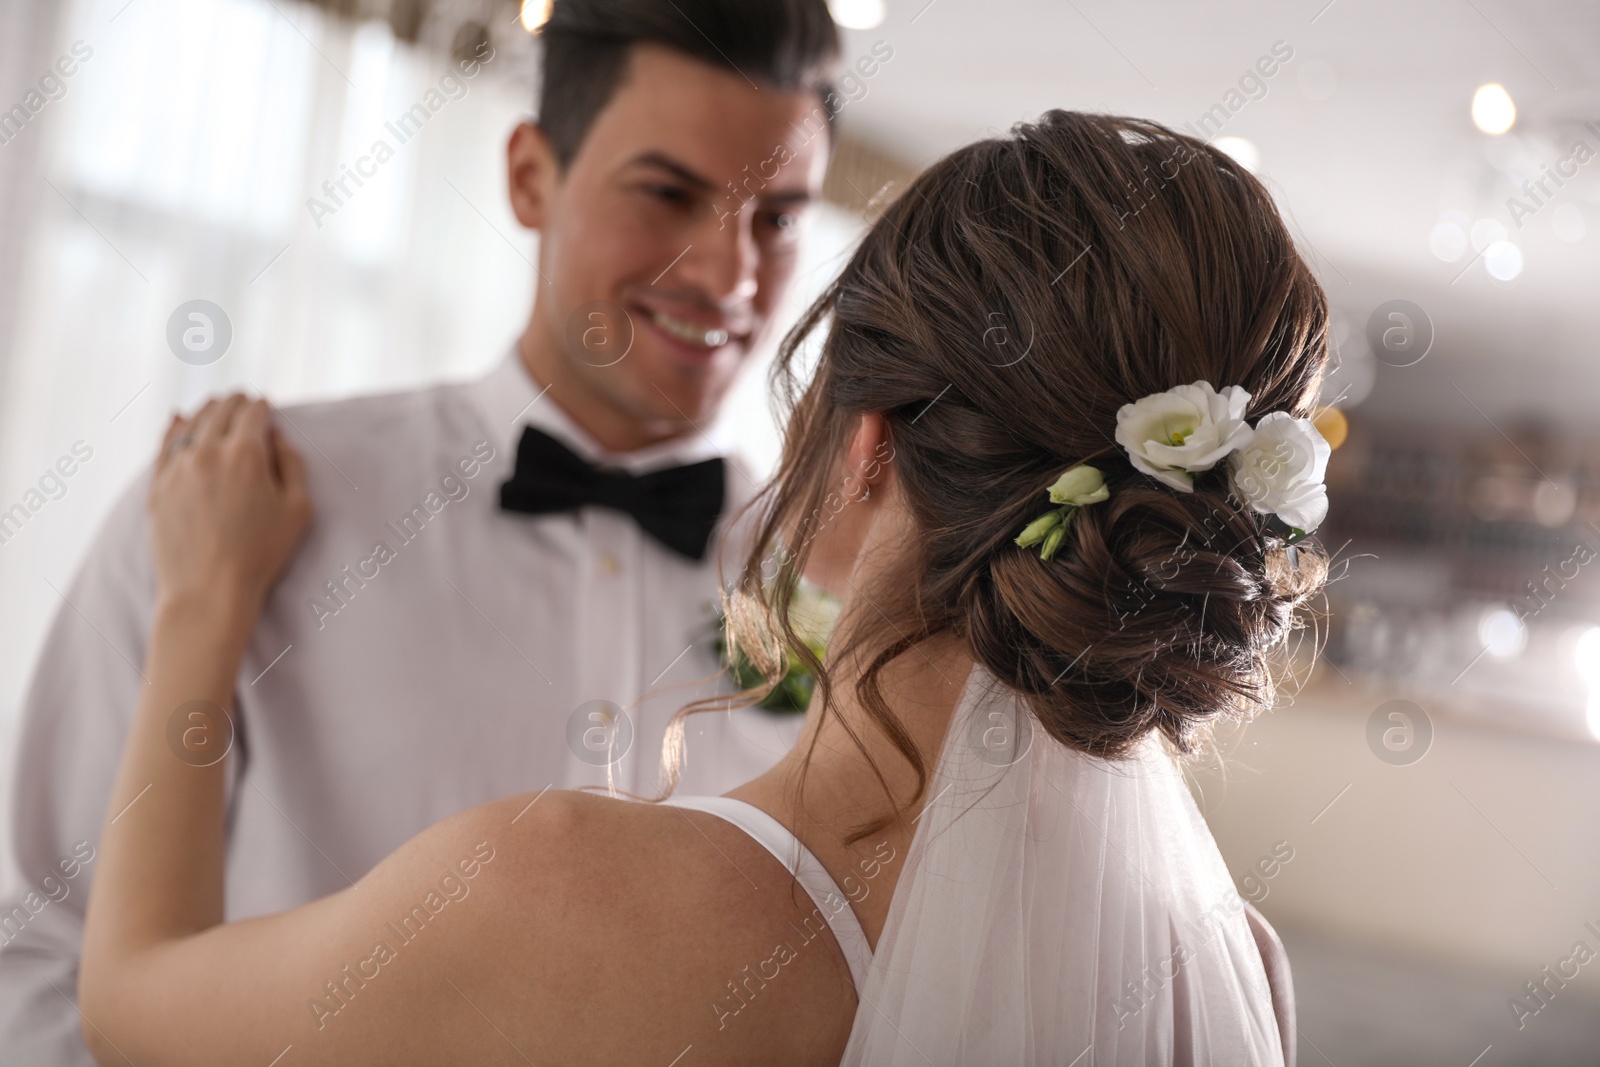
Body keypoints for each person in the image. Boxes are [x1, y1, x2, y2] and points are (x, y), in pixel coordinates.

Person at [75, 110, 1330, 1065]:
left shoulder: (561, 898)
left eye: (778, 219)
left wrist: (200, 606)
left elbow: (133, 998)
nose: (722, 266)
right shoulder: (1228, 971)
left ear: (871, 442)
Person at [0, 1, 843, 1061]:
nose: (729, 274)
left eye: (776, 216)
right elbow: (47, 955)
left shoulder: (839, 578)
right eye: (669, 193)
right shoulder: (237, 504)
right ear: (530, 175)